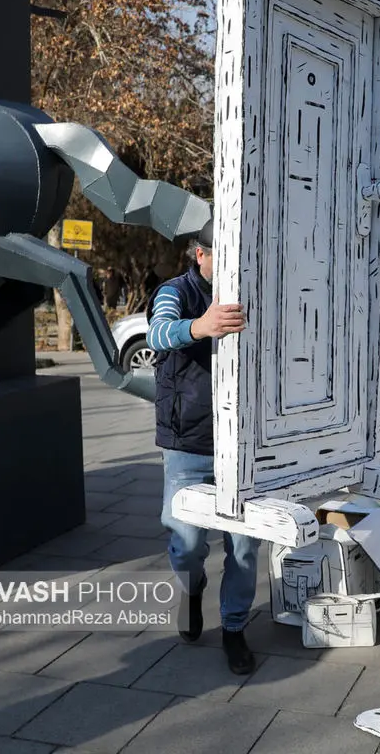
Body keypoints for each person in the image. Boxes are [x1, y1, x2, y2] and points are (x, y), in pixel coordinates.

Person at [147, 220, 259, 675]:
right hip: (188, 444)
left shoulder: (253, 292)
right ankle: (191, 590)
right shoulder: (176, 291)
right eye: (221, 256)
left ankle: (233, 628)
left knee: (246, 548)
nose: (231, 267)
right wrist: (200, 326)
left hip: (243, 445)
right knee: (188, 543)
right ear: (201, 254)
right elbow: (157, 334)